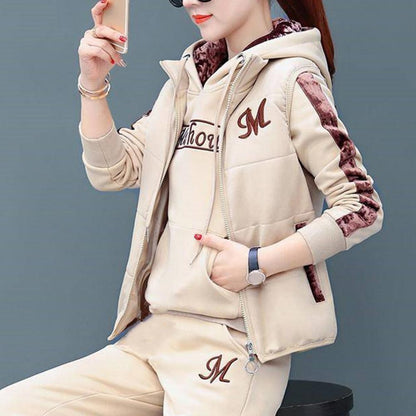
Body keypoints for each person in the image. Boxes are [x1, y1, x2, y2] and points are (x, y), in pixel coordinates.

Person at [0, 0, 384, 415]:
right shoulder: (188, 82)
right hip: (156, 337)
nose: (189, 2)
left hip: (234, 346)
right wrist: (92, 84)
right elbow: (115, 170)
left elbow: (362, 206)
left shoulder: (293, 80)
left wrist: (258, 262)